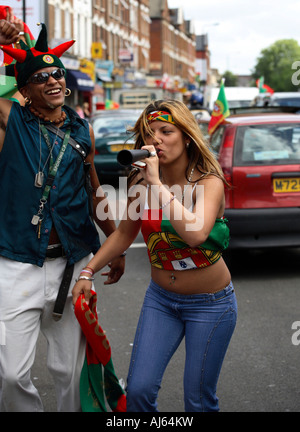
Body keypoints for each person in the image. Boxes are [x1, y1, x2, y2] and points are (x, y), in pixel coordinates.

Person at [72, 99, 238, 412]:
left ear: (186, 136)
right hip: (161, 300)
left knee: (199, 401)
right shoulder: (138, 182)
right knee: (137, 392)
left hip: (211, 304)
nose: (155, 140)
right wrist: (87, 272)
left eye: (166, 131)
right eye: (149, 134)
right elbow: (123, 234)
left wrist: (157, 185)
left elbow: (195, 234)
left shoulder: (207, 181)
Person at [0, 20, 125, 412]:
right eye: (40, 77)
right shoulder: (12, 123)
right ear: (24, 90)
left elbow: (93, 191)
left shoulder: (81, 128)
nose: (53, 80)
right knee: (11, 374)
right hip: (16, 264)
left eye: (57, 73)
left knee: (69, 371)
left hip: (72, 265)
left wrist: (116, 242)